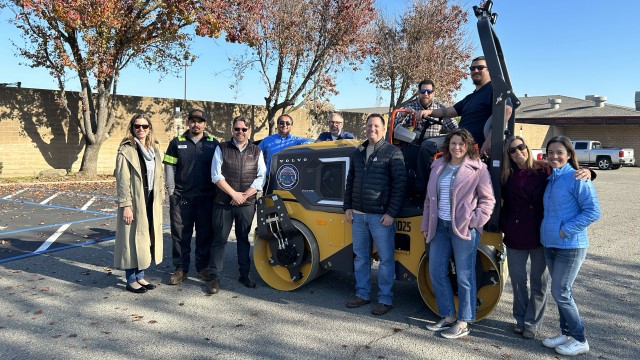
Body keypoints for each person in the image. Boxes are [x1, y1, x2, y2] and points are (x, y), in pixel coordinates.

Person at [500, 136, 593, 340]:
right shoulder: (506, 175)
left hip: (540, 234)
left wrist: (590, 172)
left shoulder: (544, 169)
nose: (518, 153)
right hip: (516, 233)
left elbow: (568, 172)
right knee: (517, 280)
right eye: (512, 151)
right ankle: (520, 319)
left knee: (538, 281)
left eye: (521, 147)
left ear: (528, 148)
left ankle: (532, 323)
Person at [421, 128, 495, 339]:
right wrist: (426, 223)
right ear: (448, 145)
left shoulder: (478, 168)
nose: (457, 147)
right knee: (436, 270)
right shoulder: (438, 165)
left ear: (468, 146)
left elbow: (488, 200)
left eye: (461, 144)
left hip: (463, 228)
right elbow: (429, 199)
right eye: (453, 143)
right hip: (440, 227)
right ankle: (448, 315)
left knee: (464, 275)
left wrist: (475, 221)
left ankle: (463, 321)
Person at [540, 136, 600, 356]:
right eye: (551, 152)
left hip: (571, 246)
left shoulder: (577, 177)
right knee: (560, 293)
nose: (555, 156)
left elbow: (593, 211)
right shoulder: (552, 177)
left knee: (561, 292)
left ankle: (580, 338)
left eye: (559, 152)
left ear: (569, 155)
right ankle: (566, 334)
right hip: (551, 245)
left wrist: (566, 230)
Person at [416, 57, 512, 191]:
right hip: (458, 137)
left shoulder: (493, 90)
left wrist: (489, 141)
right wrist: (429, 111)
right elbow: (448, 111)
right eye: (472, 68)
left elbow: (507, 110)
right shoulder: (471, 97)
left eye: (480, 67)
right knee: (419, 143)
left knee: (427, 146)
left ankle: (422, 193)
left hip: (471, 142)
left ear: (489, 70)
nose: (475, 70)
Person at [344, 114, 406, 316]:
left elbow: (400, 185)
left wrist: (391, 213)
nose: (373, 128)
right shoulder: (359, 152)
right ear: (366, 127)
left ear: (383, 128)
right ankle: (362, 294)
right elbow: (350, 180)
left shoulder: (392, 152)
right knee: (361, 257)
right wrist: (348, 206)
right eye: (370, 125)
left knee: (386, 260)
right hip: (358, 216)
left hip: (380, 217)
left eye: (377, 125)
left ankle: (385, 299)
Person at [163, 109, 219, 293]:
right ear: (188, 123)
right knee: (180, 235)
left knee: (204, 234)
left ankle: (202, 268)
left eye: (200, 121)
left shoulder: (213, 144)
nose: (196, 124)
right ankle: (181, 269)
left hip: (206, 198)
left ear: (205, 124)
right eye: (193, 121)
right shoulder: (177, 142)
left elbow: (219, 169)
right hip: (181, 198)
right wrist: (171, 191)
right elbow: (169, 166)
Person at [210, 116, 266, 291]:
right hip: (223, 202)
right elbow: (216, 175)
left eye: (243, 129)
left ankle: (244, 275)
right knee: (219, 240)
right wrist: (234, 194)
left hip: (246, 204)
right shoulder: (222, 148)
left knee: (243, 239)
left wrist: (245, 195)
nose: (240, 132)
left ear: (249, 130)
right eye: (237, 129)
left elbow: (261, 177)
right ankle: (214, 277)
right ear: (232, 130)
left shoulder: (257, 151)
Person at [114, 113, 164, 294]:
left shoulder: (154, 149)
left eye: (144, 126)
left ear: (149, 128)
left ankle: (140, 275)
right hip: (134, 201)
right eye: (137, 126)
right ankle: (131, 278)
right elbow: (122, 180)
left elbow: (159, 175)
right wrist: (126, 205)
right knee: (131, 239)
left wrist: (161, 196)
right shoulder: (126, 150)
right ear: (132, 128)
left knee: (146, 238)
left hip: (150, 200)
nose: (141, 129)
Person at [395, 79, 457, 194]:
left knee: (427, 147)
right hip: (415, 142)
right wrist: (403, 115)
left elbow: (454, 128)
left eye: (429, 91)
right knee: (407, 149)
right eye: (423, 91)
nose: (426, 94)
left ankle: (423, 190)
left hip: (434, 146)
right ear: (418, 92)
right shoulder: (411, 107)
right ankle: (408, 188)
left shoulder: (440, 109)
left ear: (433, 93)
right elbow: (395, 125)